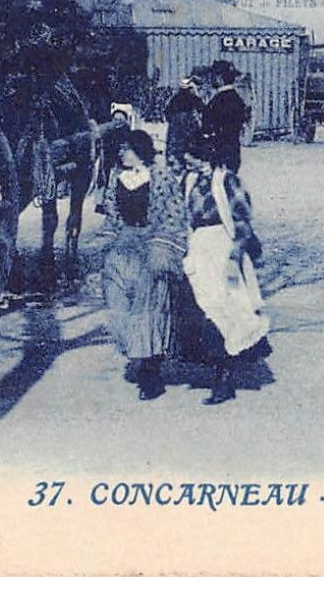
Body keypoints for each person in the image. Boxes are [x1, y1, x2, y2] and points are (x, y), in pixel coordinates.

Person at [179, 138, 270, 406]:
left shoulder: (227, 181)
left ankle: (224, 378)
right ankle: (217, 371)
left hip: (222, 247)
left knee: (229, 310)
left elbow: (242, 221)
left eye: (190, 157)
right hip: (198, 248)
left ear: (203, 155)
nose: (186, 161)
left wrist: (234, 256)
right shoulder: (189, 181)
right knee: (203, 310)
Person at [100, 130, 187, 400]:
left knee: (148, 305)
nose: (121, 153)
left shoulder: (159, 176)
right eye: (119, 148)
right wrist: (112, 241)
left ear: (140, 149)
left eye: (126, 148)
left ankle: (151, 372)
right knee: (118, 302)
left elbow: (174, 215)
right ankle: (136, 352)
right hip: (125, 244)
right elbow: (111, 216)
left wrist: (160, 246)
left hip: (152, 244)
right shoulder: (116, 178)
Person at [202, 60, 250, 173]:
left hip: (220, 155)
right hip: (232, 152)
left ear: (220, 78)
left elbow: (208, 126)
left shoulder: (219, 101)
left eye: (213, 76)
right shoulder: (236, 99)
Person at [164, 75, 205, 173]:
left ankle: (175, 167)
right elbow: (203, 110)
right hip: (190, 128)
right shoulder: (194, 99)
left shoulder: (174, 99)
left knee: (175, 150)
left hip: (175, 129)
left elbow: (167, 114)